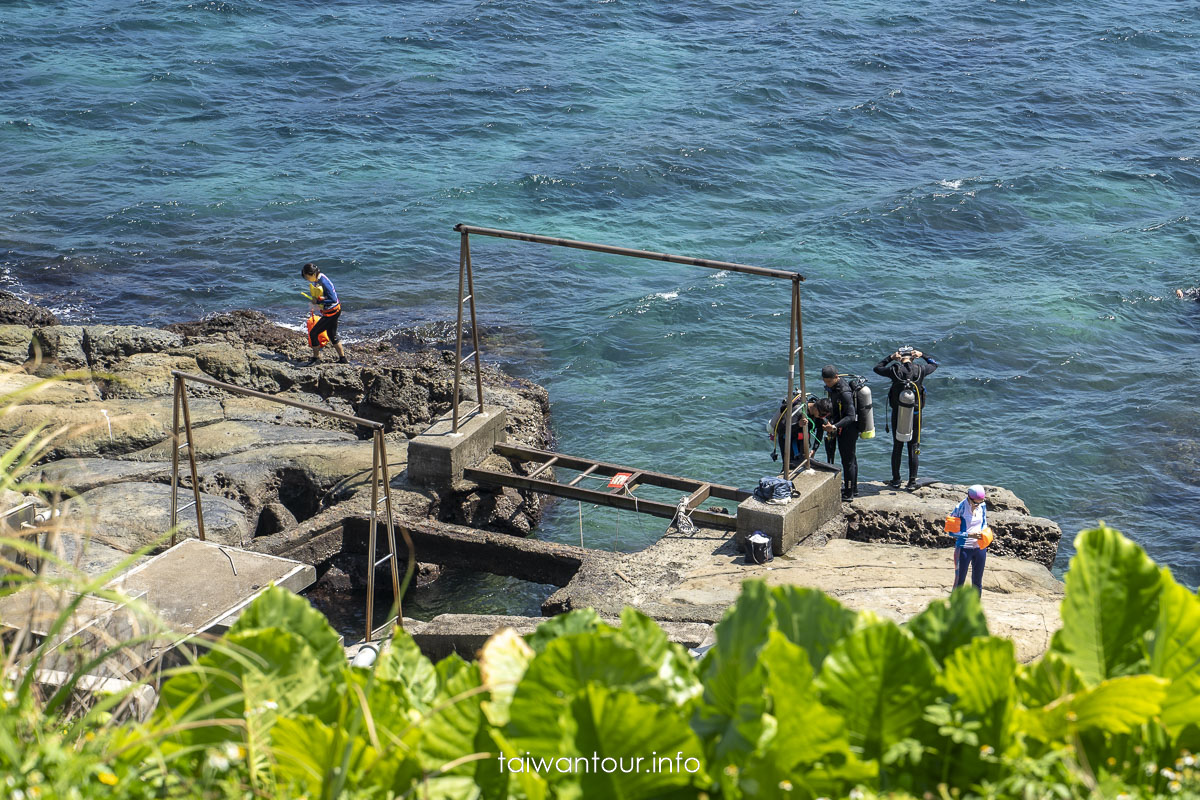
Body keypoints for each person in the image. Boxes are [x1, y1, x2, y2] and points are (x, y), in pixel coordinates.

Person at [873, 346, 939, 490]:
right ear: (913, 356)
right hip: (915, 414)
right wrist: (923, 355)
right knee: (913, 446)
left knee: (897, 447)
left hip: (898, 413)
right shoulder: (921, 370)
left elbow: (877, 368)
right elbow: (934, 364)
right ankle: (912, 482)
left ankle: (896, 480)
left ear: (900, 357)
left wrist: (890, 358)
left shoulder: (894, 370)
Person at [821, 365, 858, 500]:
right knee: (850, 459)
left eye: (829, 381)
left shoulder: (844, 392)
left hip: (849, 429)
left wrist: (835, 426)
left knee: (848, 461)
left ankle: (848, 493)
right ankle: (853, 489)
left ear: (836, 377)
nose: (827, 384)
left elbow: (851, 416)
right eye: (825, 381)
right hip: (840, 427)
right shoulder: (833, 388)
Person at [302, 262, 348, 365]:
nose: (307, 279)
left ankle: (316, 359)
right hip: (334, 310)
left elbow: (333, 299)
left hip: (332, 312)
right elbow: (326, 296)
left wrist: (319, 302)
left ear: (312, 274)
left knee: (313, 333)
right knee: (332, 335)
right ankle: (343, 359)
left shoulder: (323, 282)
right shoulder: (319, 278)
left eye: (307, 277)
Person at [949, 484, 988, 596]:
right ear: (969, 498)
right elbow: (951, 532)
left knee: (977, 582)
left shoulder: (982, 505)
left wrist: (984, 533)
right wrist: (969, 535)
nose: (978, 505)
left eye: (980, 502)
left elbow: (984, 522)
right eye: (976, 502)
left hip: (980, 548)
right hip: (964, 549)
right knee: (959, 582)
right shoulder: (959, 508)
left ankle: (975, 609)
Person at [769, 396, 831, 465]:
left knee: (803, 464)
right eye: (822, 415)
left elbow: (820, 432)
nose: (823, 417)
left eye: (825, 416)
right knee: (789, 465)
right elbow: (781, 430)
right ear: (816, 408)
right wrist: (798, 424)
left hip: (801, 439)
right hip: (787, 440)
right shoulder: (798, 411)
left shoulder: (819, 415)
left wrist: (814, 450)